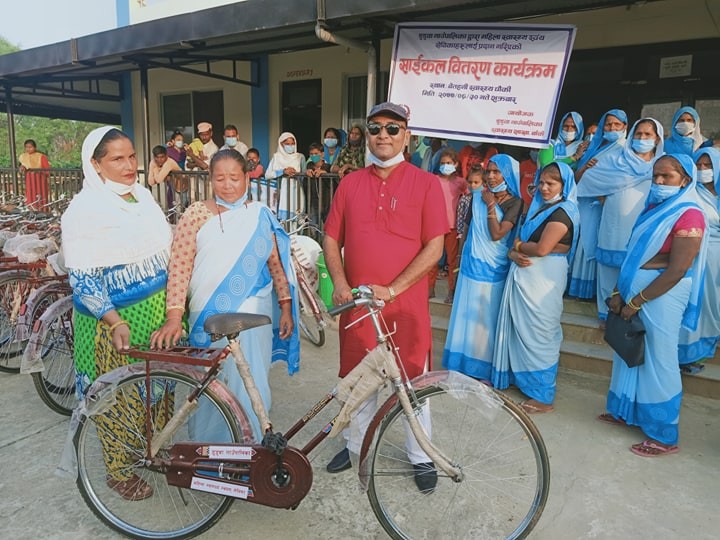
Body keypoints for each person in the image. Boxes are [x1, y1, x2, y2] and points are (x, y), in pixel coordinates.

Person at [322, 102, 447, 492]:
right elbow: (330, 238)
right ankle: (357, 445)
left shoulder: (426, 183)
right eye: (375, 128)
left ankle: (421, 455)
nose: (382, 135)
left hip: (405, 306)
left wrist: (393, 289)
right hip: (358, 305)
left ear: (406, 137)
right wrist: (340, 282)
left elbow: (435, 247)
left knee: (413, 382)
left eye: (393, 129)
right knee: (359, 380)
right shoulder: (350, 183)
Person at [150, 149, 299, 441]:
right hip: (209, 314)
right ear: (210, 179)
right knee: (210, 382)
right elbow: (180, 267)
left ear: (247, 178)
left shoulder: (260, 215)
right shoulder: (195, 214)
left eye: (234, 177)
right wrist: (174, 316)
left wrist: (285, 306)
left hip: (254, 316)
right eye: (220, 178)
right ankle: (211, 450)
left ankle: (250, 447)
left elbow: (276, 266)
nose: (228, 185)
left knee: (252, 380)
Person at [61, 126, 173, 501]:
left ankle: (148, 452)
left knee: (156, 394)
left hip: (155, 315)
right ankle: (117, 471)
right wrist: (114, 319)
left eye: (132, 157)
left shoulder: (142, 197)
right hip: (113, 323)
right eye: (117, 159)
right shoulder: (84, 211)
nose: (129, 166)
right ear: (95, 164)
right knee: (118, 400)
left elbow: (163, 250)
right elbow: (82, 277)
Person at [601, 154, 707, 457]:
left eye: (667, 177)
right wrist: (622, 292)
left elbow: (677, 268)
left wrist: (636, 300)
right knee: (629, 353)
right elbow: (635, 255)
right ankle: (627, 410)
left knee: (660, 358)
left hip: (662, 296)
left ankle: (663, 434)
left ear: (685, 179)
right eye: (656, 176)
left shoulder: (690, 214)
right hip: (636, 292)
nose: (658, 182)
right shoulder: (653, 209)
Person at [491, 162, 579, 414]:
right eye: (541, 182)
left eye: (551, 183)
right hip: (527, 275)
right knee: (524, 331)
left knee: (541, 332)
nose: (544, 187)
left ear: (565, 185)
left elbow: (542, 249)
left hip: (545, 281)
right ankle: (525, 381)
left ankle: (543, 394)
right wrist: (514, 250)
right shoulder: (539, 208)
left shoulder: (564, 211)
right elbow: (526, 245)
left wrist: (518, 247)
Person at [443, 155, 523, 379]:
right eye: (489, 171)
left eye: (497, 172)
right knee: (464, 313)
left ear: (508, 174)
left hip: (493, 268)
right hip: (470, 265)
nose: (491, 176)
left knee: (485, 317)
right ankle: (461, 364)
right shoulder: (475, 196)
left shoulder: (514, 202)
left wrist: (490, 204)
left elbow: (497, 234)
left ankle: (483, 368)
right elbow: (466, 231)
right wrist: (459, 258)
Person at [577, 118, 664, 320]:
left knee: (638, 273)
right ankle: (607, 316)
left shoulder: (662, 163)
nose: (642, 138)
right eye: (638, 134)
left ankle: (631, 317)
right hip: (612, 225)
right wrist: (606, 199)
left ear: (657, 138)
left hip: (645, 229)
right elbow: (587, 181)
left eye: (647, 135)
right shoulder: (614, 159)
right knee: (608, 271)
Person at [569, 109, 629, 300]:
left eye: (616, 125)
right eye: (609, 124)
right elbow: (577, 180)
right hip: (587, 206)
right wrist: (586, 167)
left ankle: (599, 295)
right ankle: (580, 291)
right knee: (584, 244)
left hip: (611, 208)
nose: (612, 128)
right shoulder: (596, 148)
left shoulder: (627, 150)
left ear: (625, 127)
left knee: (601, 245)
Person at [678, 148, 720, 372]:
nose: (703, 170)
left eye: (709, 166)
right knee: (695, 302)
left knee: (713, 304)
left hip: (716, 258)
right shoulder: (690, 192)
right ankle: (689, 352)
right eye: (700, 166)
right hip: (694, 254)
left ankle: (709, 341)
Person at [427, 148, 467, 302]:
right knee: (432, 259)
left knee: (452, 261)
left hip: (452, 227)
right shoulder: (433, 180)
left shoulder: (461, 182)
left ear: (456, 164)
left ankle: (451, 290)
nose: (445, 166)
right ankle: (430, 289)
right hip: (435, 225)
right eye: (443, 163)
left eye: (449, 163)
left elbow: (468, 196)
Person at [266, 132, 306, 220]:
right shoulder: (276, 157)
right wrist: (283, 171)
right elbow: (268, 174)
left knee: (297, 219)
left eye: (292, 143)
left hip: (297, 191)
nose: (290, 146)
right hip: (281, 193)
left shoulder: (300, 157)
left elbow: (304, 175)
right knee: (283, 221)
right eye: (287, 144)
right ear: (281, 144)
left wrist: (295, 174)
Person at [18, 139, 51, 209]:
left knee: (41, 195)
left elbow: (47, 169)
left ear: (35, 147)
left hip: (40, 179)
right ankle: (31, 211)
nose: (28, 149)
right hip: (29, 179)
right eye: (26, 147)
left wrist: (40, 172)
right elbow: (23, 165)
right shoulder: (23, 156)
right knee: (30, 195)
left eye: (30, 147)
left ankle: (42, 211)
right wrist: (22, 168)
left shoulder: (41, 156)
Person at [147, 144, 181, 209]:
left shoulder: (169, 162)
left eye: (162, 157)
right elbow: (150, 182)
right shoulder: (153, 161)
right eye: (157, 157)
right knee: (170, 208)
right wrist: (156, 170)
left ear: (166, 156)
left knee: (179, 210)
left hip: (181, 188)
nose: (160, 160)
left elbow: (159, 180)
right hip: (171, 186)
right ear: (154, 157)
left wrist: (155, 169)